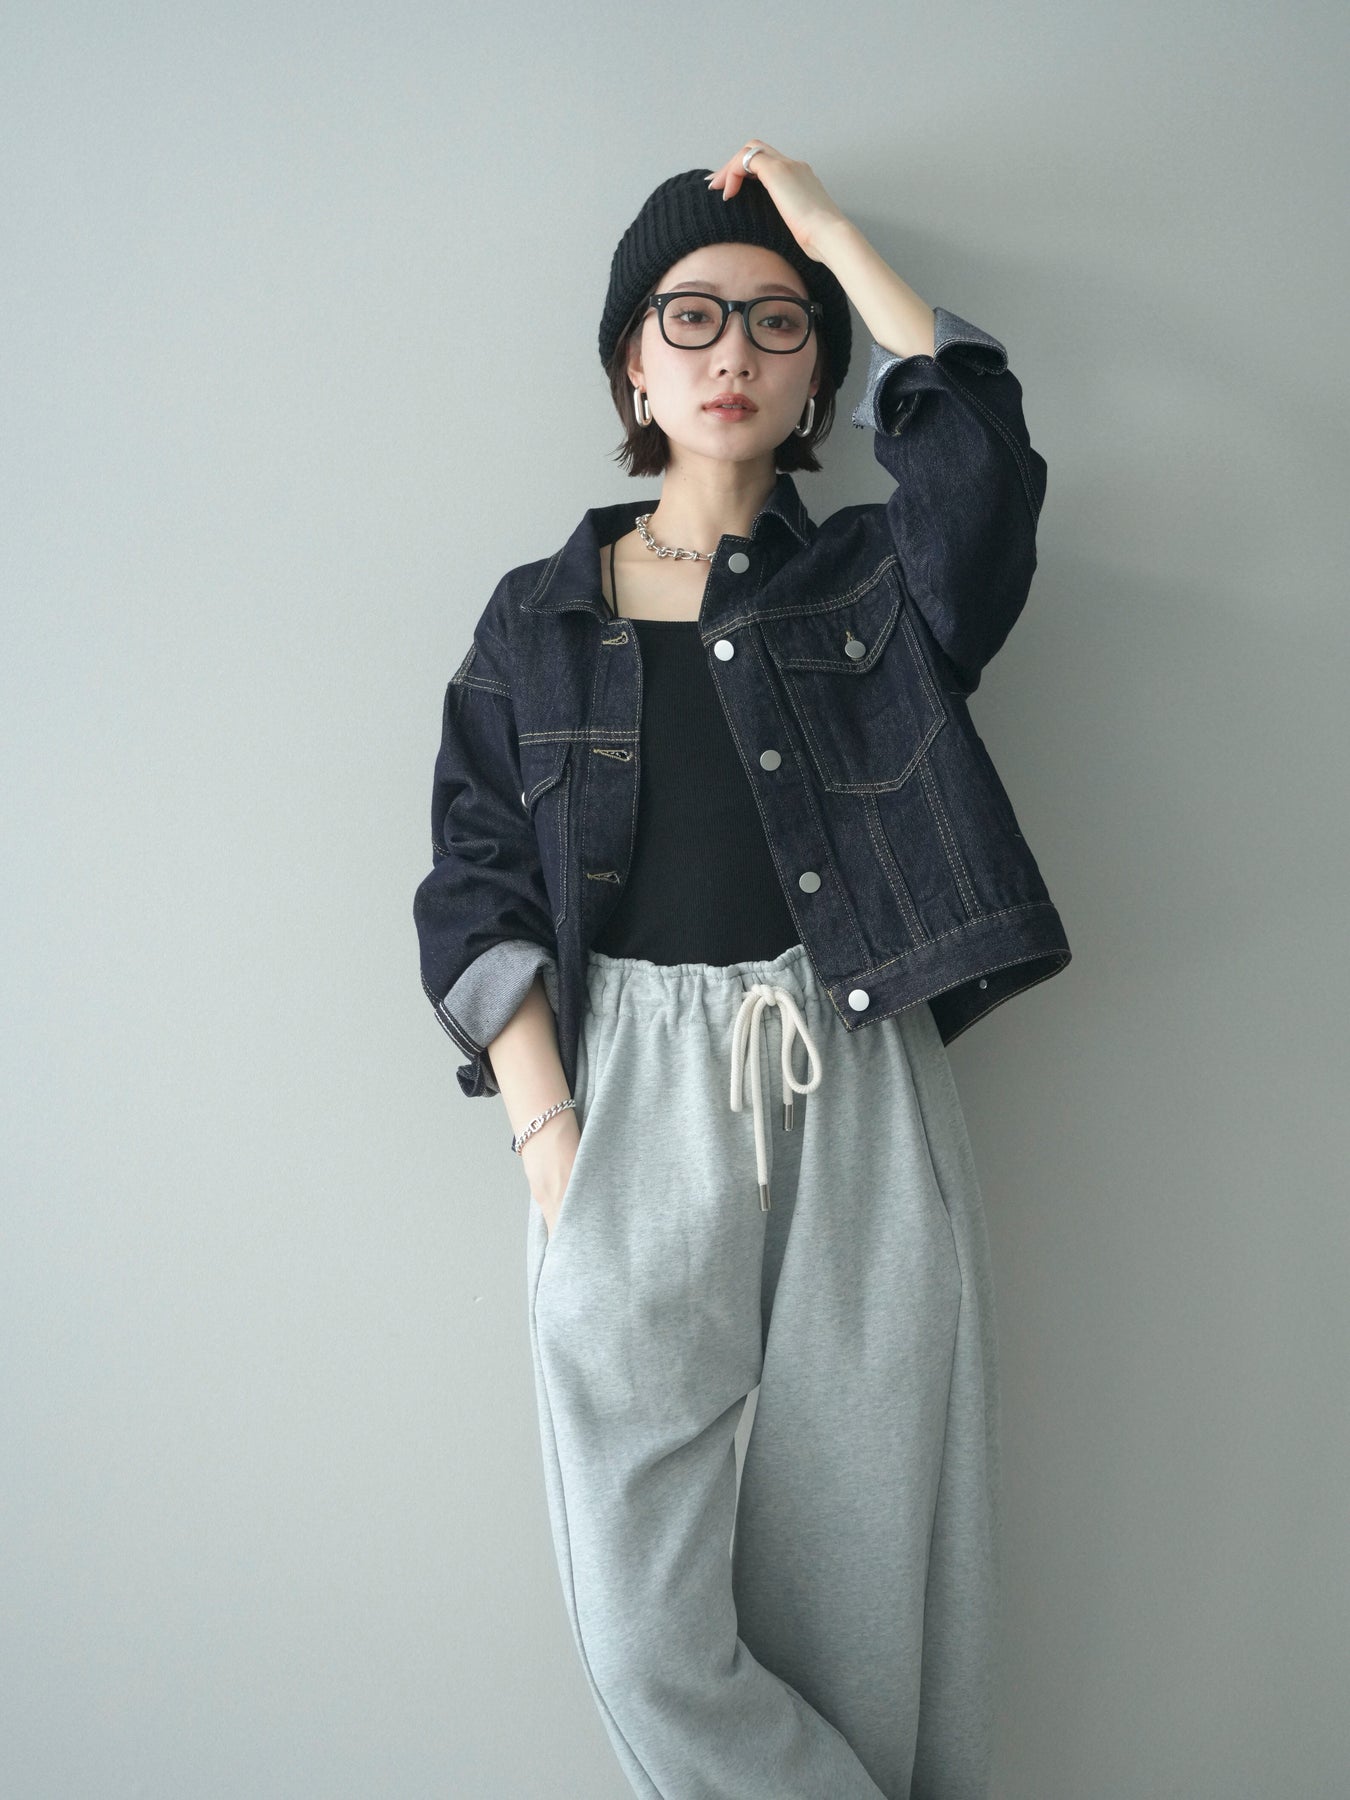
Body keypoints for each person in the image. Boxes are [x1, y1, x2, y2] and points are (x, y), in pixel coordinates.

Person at [413, 141, 1070, 1799]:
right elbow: (473, 880)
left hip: (848, 1064)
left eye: (780, 323)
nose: (733, 353)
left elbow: (982, 469)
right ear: (631, 366)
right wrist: (551, 1139)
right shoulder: (533, 620)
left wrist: (833, 237)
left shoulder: (876, 585)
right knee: (645, 1631)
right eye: (689, 317)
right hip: (619, 1098)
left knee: (864, 1586)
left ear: (818, 377)